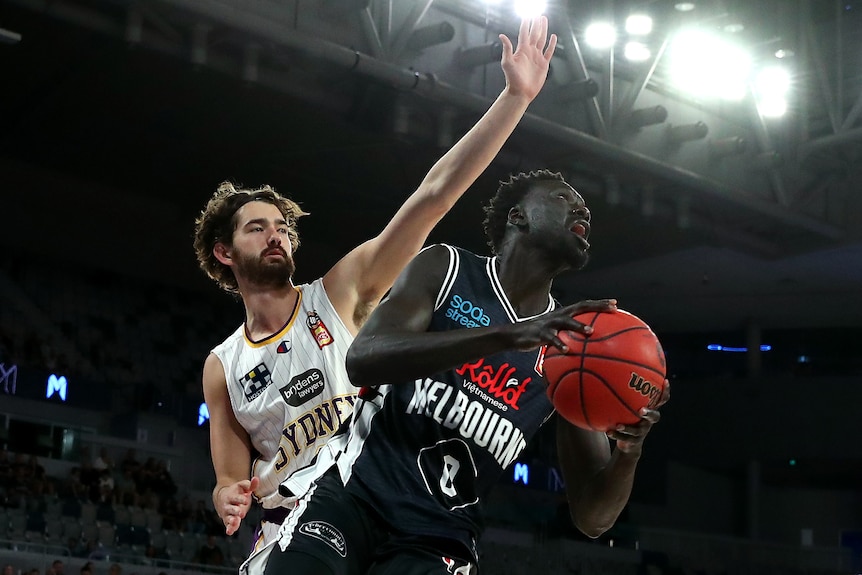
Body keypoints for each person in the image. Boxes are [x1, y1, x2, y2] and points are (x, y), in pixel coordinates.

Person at [193, 11, 560, 557]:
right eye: (256, 228)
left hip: (375, 503)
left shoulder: (341, 291)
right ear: (225, 253)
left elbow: (432, 198)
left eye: (282, 227)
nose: (276, 236)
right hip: (289, 531)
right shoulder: (222, 366)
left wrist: (515, 99)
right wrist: (226, 495)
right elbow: (230, 477)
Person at [256, 166, 670, 574]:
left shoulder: (571, 347)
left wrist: (629, 452)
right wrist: (507, 336)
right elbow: (363, 359)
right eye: (564, 199)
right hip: (353, 496)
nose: (583, 212)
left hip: (439, 540)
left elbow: (593, 519)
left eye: (585, 210)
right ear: (518, 216)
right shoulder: (447, 267)